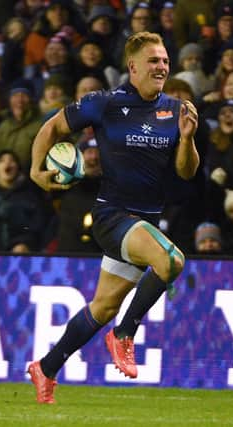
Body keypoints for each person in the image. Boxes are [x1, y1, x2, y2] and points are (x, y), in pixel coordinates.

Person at [27, 31, 199, 403]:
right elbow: (53, 126)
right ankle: (124, 334)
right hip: (112, 216)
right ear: (133, 67)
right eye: (154, 60)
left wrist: (186, 139)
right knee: (171, 261)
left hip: (145, 224)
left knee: (103, 306)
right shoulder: (104, 103)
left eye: (166, 60)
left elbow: (186, 172)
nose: (162, 66)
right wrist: (35, 169)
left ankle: (46, 367)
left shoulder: (175, 110)